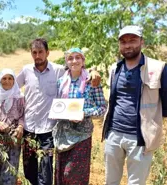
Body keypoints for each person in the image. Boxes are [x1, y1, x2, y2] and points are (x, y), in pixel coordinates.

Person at [16, 38, 101, 185]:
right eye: (34, 52)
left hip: (48, 130)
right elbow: (12, 87)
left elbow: (78, 68)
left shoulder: (59, 71)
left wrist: (93, 71)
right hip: (29, 129)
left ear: (47, 53)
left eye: (41, 52)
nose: (37, 56)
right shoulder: (26, 71)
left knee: (46, 172)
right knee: (29, 170)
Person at [102, 25, 167, 185]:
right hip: (113, 135)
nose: (127, 45)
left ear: (142, 42)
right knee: (110, 181)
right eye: (123, 41)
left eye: (132, 40)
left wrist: (150, 122)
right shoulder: (115, 68)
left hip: (141, 139)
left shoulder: (159, 68)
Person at [53, 48, 107, 185]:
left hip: (82, 134)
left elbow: (102, 108)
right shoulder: (61, 81)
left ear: (83, 61)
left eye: (78, 57)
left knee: (73, 174)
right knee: (61, 175)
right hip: (63, 134)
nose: (74, 61)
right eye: (70, 58)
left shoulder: (92, 81)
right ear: (66, 61)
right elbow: (59, 106)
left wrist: (84, 113)